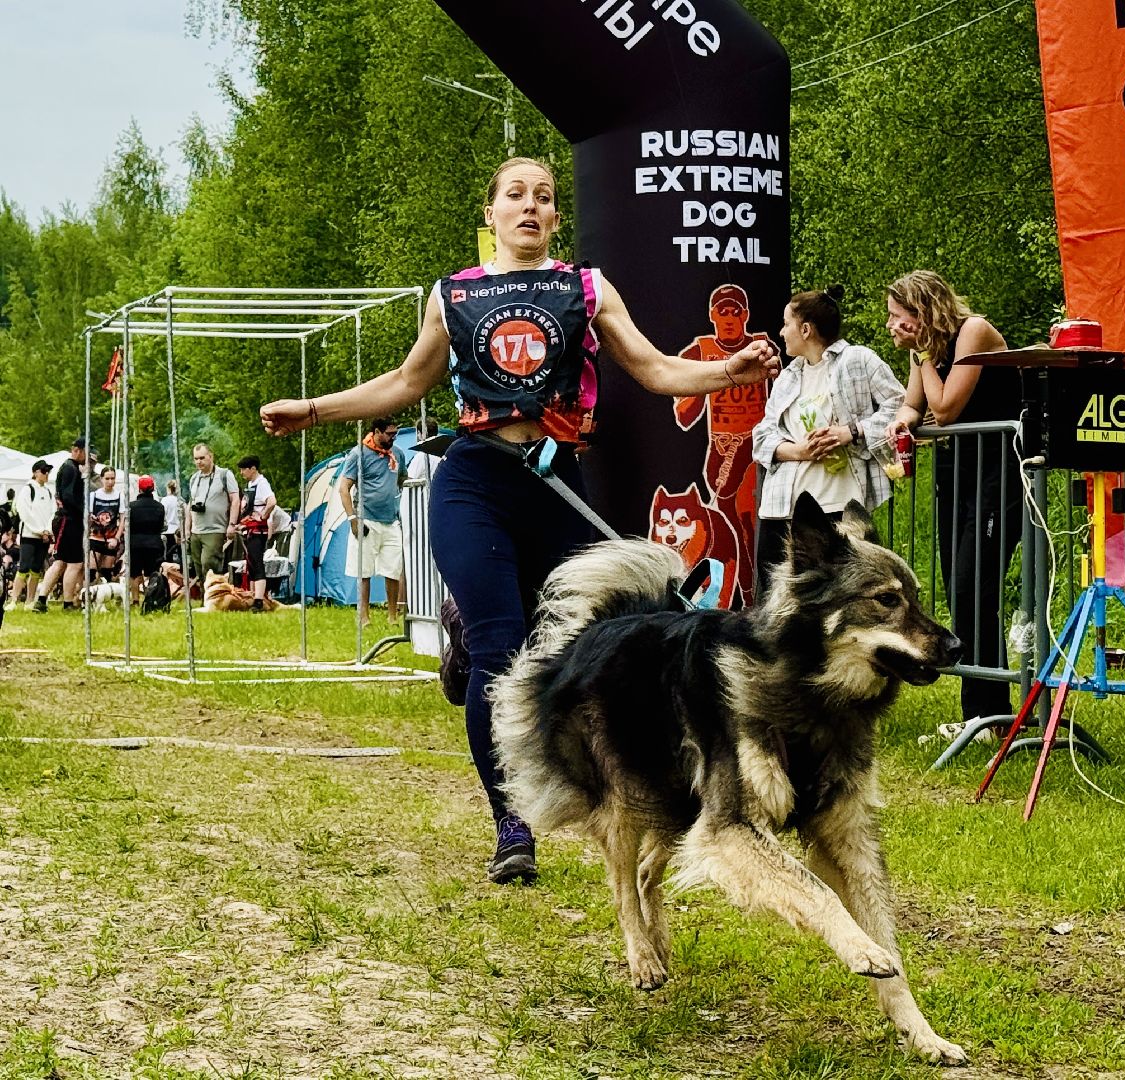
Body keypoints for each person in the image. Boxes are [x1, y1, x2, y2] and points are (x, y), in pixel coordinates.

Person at [260, 156, 778, 885]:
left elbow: (658, 369)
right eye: (515, 196)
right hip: (474, 480)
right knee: (503, 649)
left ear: (556, 218)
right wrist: (314, 411)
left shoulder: (585, 288)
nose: (529, 207)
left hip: (555, 481)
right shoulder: (454, 295)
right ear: (492, 214)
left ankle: (580, 751)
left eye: (543, 197)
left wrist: (731, 372)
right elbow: (409, 382)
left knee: (587, 644)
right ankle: (512, 823)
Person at [885, 270, 1023, 726]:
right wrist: (901, 422)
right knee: (959, 590)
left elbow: (945, 409)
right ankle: (978, 714)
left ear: (921, 310)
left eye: (897, 315)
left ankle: (993, 711)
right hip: (957, 473)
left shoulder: (973, 332)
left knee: (976, 585)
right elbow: (916, 404)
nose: (891, 325)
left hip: (996, 469)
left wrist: (922, 354)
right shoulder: (926, 352)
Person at [751, 286, 905, 594]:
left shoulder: (857, 359)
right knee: (772, 598)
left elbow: (900, 404)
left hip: (840, 505)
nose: (781, 333)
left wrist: (852, 431)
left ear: (805, 329)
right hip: (783, 508)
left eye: (786, 324)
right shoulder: (787, 377)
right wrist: (799, 451)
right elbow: (762, 436)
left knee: (839, 597)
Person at [673, 283, 774, 603]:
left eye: (735, 311)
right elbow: (684, 417)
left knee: (751, 529)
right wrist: (707, 378)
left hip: (754, 452)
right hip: (720, 453)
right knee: (731, 535)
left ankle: (756, 600)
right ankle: (744, 601)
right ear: (712, 315)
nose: (729, 318)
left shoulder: (762, 347)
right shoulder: (700, 351)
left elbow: (783, 400)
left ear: (745, 315)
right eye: (722, 311)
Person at [337, 419, 406, 626]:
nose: (393, 437)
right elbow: (344, 488)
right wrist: (352, 519)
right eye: (390, 434)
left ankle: (392, 615)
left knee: (393, 568)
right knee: (364, 570)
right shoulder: (358, 454)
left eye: (395, 433)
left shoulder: (398, 454)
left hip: (391, 520)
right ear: (377, 432)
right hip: (366, 518)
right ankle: (364, 615)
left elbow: (403, 479)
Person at [34, 438, 88, 612]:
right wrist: (84, 512)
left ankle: (41, 600)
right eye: (87, 451)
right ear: (77, 450)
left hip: (66, 519)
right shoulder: (71, 469)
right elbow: (69, 496)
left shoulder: (69, 468)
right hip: (69, 520)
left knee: (61, 562)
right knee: (74, 563)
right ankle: (67, 603)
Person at [186, 444, 240, 580]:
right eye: (196, 459)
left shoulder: (224, 475)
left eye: (202, 458)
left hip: (215, 529)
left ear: (211, 456)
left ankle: (214, 598)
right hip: (196, 531)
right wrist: (187, 528)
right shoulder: (194, 478)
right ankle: (206, 599)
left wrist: (232, 524)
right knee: (198, 569)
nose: (199, 462)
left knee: (209, 565)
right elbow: (190, 504)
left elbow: (235, 500)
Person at [8, 461, 55, 610]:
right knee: (24, 567)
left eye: (48, 471)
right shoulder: (27, 490)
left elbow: (52, 513)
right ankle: (14, 600)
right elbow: (25, 513)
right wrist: (39, 530)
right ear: (35, 472)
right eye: (43, 471)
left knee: (36, 569)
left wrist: (47, 530)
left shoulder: (48, 492)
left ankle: (29, 601)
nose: (46, 474)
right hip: (29, 535)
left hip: (44, 537)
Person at [237, 455, 277, 612]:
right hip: (249, 528)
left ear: (253, 468)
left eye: (243, 469)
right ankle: (253, 595)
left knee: (257, 563)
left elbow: (272, 501)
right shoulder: (251, 484)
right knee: (251, 564)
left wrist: (264, 516)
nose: (241, 473)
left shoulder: (262, 483)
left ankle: (259, 600)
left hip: (258, 529)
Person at [127, 475, 167, 605]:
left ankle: (135, 600)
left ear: (139, 489)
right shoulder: (159, 507)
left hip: (135, 544)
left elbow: (128, 527)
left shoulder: (131, 507)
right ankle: (151, 598)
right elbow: (162, 526)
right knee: (152, 574)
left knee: (134, 573)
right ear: (153, 489)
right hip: (154, 544)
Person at [87, 466, 124, 581]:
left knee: (107, 573)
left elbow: (122, 519)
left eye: (112, 479)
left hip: (111, 539)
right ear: (102, 479)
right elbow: (88, 516)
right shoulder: (94, 496)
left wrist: (117, 538)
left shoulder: (119, 496)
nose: (110, 482)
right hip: (95, 537)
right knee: (91, 572)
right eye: (107, 478)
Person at [161, 479, 182, 565]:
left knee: (168, 556)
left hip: (167, 531)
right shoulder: (180, 501)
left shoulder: (164, 500)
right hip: (178, 531)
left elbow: (162, 514)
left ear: (168, 488)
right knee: (180, 555)